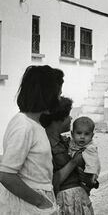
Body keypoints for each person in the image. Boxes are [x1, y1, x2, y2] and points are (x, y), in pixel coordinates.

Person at [0, 65, 63, 214]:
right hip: (26, 205)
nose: (59, 98)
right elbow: (6, 175)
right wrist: (40, 201)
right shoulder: (24, 126)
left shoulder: (33, 123)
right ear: (46, 95)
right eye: (58, 94)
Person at [43, 97, 95, 214]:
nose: (71, 118)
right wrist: (74, 162)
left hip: (79, 198)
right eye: (68, 115)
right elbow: (52, 181)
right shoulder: (45, 144)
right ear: (58, 119)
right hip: (65, 201)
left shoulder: (67, 141)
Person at [69, 117, 100, 194]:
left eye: (86, 134)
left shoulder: (90, 148)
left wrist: (90, 179)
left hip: (87, 175)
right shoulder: (72, 143)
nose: (82, 137)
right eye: (79, 133)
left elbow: (92, 165)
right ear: (72, 134)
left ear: (92, 136)